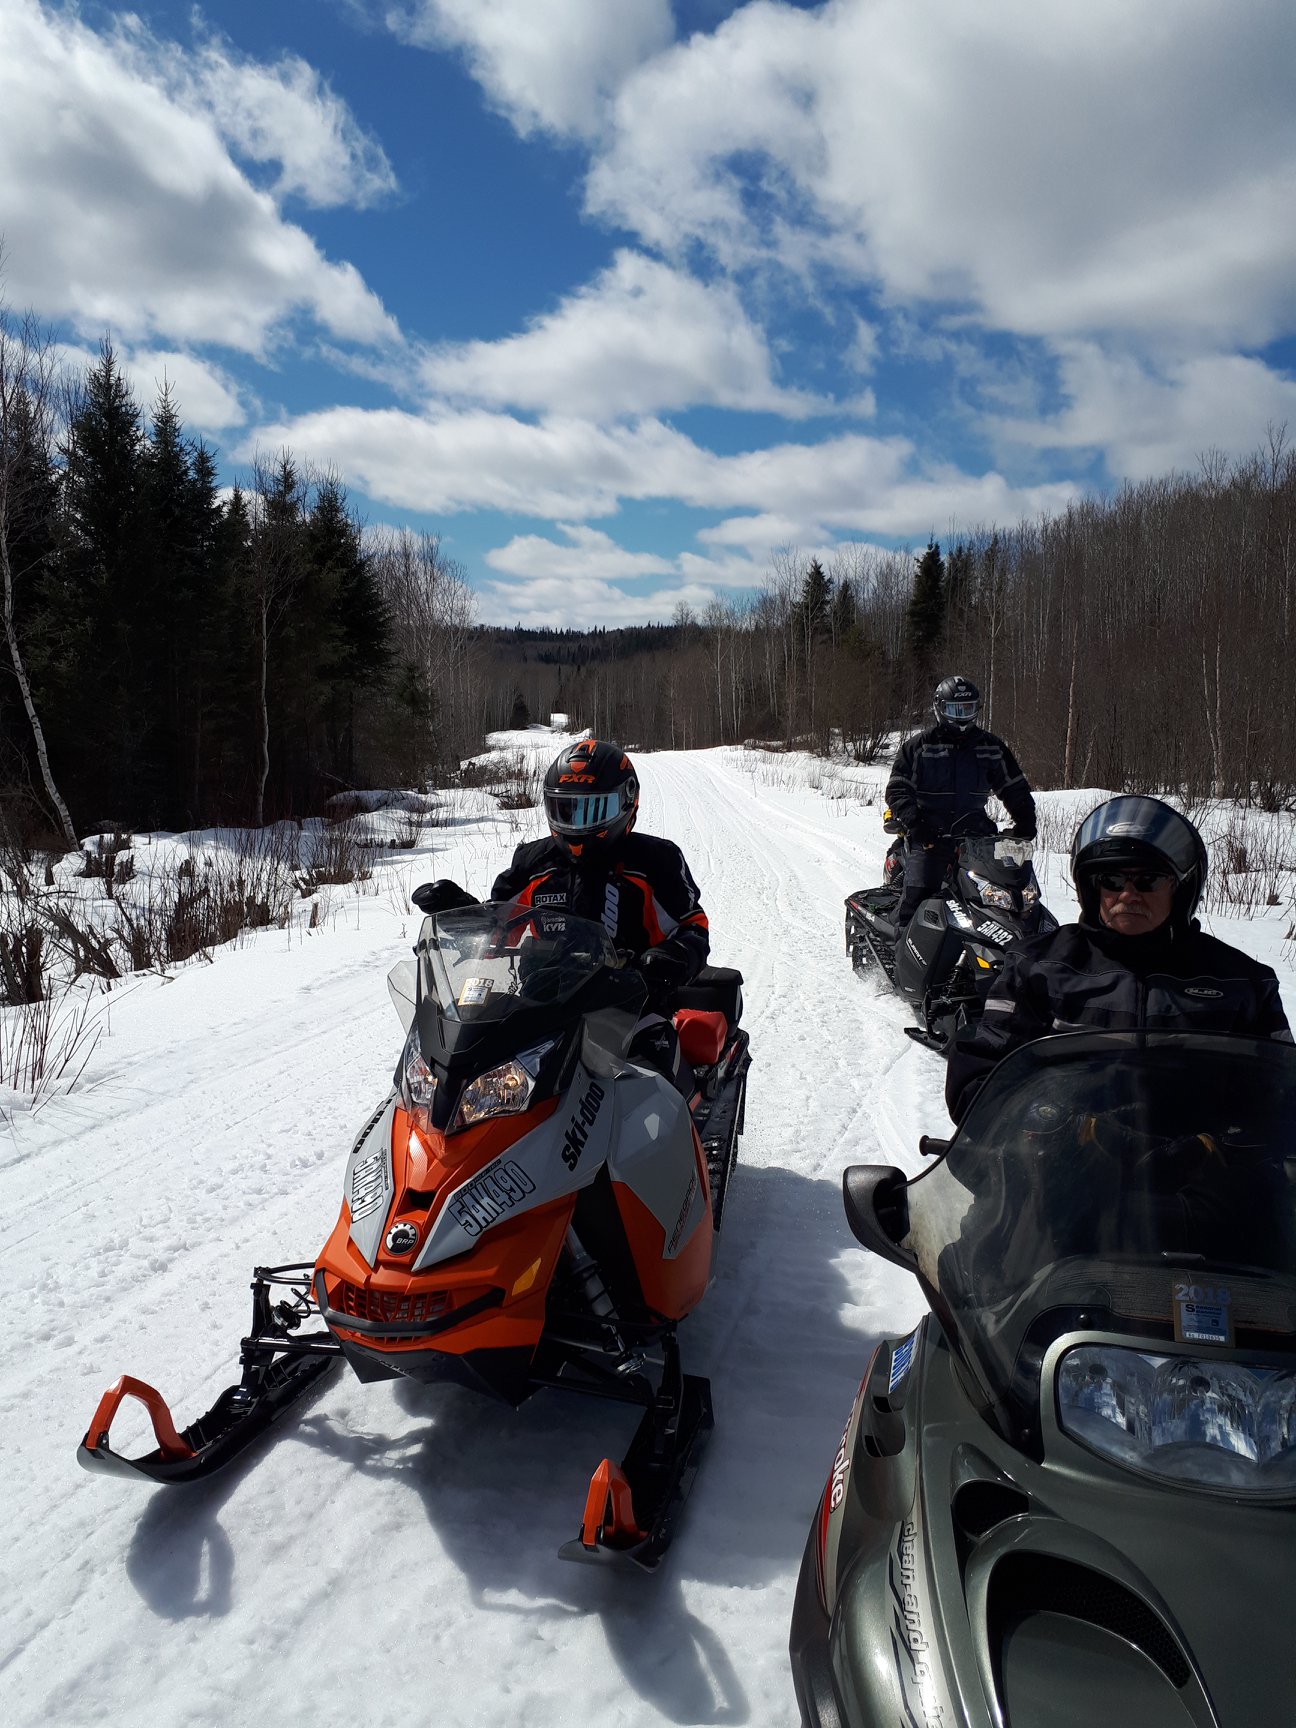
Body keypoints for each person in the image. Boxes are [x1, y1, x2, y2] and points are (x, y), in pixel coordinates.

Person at [946, 794, 1292, 1123]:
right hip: (1061, 1169)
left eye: (1148, 880)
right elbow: (982, 1068)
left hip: (1201, 1176)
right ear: (1092, 888)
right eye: (1111, 880)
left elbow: (1280, 1089)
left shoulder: (1241, 983)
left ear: (1181, 888)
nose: (1127, 895)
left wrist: (1224, 1136)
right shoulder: (1038, 967)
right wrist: (1043, 1121)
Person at [491, 739, 710, 1080]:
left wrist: (674, 956)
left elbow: (692, 925)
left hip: (633, 1010)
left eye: (592, 810)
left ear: (626, 802)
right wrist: (459, 916)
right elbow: (498, 921)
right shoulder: (533, 863)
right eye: (566, 809)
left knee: (657, 1092)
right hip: (541, 1009)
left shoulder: (656, 862)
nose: (576, 824)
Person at [885, 675, 1036, 930]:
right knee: (918, 897)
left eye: (967, 709)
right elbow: (898, 788)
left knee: (1013, 896)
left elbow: (1014, 787)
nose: (962, 716)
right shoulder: (919, 747)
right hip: (930, 835)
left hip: (977, 837)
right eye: (955, 709)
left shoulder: (991, 747)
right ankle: (903, 958)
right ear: (939, 708)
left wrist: (1025, 820)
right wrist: (915, 821)